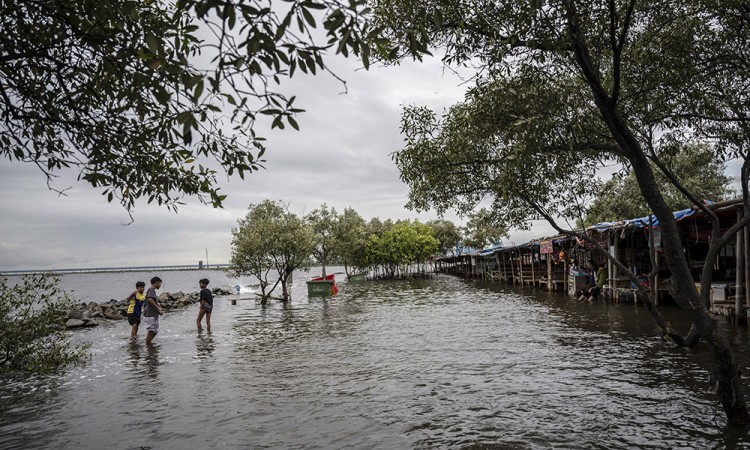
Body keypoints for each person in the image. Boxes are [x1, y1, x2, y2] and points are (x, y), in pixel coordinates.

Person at [143, 276, 163, 345]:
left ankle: (147, 342)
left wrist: (158, 311)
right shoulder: (150, 289)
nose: (160, 285)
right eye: (160, 284)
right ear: (157, 283)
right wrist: (158, 308)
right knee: (151, 330)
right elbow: (150, 299)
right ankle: (148, 344)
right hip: (150, 314)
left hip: (154, 314)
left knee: (155, 331)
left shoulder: (152, 290)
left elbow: (151, 301)